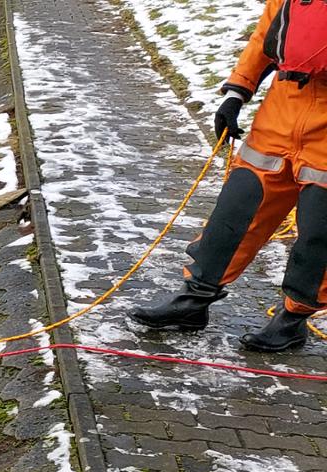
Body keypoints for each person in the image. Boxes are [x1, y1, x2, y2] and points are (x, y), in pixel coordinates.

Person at [131, 0, 327, 352]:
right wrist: (237, 92)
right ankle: (194, 300)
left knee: (319, 230)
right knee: (238, 206)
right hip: (282, 109)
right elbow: (263, 39)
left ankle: (293, 319)